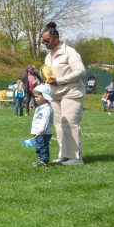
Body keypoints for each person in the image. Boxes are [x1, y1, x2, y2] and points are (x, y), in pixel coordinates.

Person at [41, 21, 86, 166]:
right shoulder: (49, 56)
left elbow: (80, 72)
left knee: (70, 123)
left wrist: (59, 80)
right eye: (43, 42)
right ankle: (64, 155)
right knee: (59, 125)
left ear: (56, 38)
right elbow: (50, 76)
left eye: (47, 41)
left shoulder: (70, 52)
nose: (45, 44)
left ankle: (75, 158)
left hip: (72, 92)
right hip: (56, 95)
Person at [30, 84, 54, 167]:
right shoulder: (40, 107)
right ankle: (40, 160)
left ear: (44, 96)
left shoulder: (47, 109)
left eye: (37, 97)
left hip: (43, 133)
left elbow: (45, 121)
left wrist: (41, 130)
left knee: (43, 146)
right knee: (38, 146)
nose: (35, 99)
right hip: (38, 132)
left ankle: (44, 161)